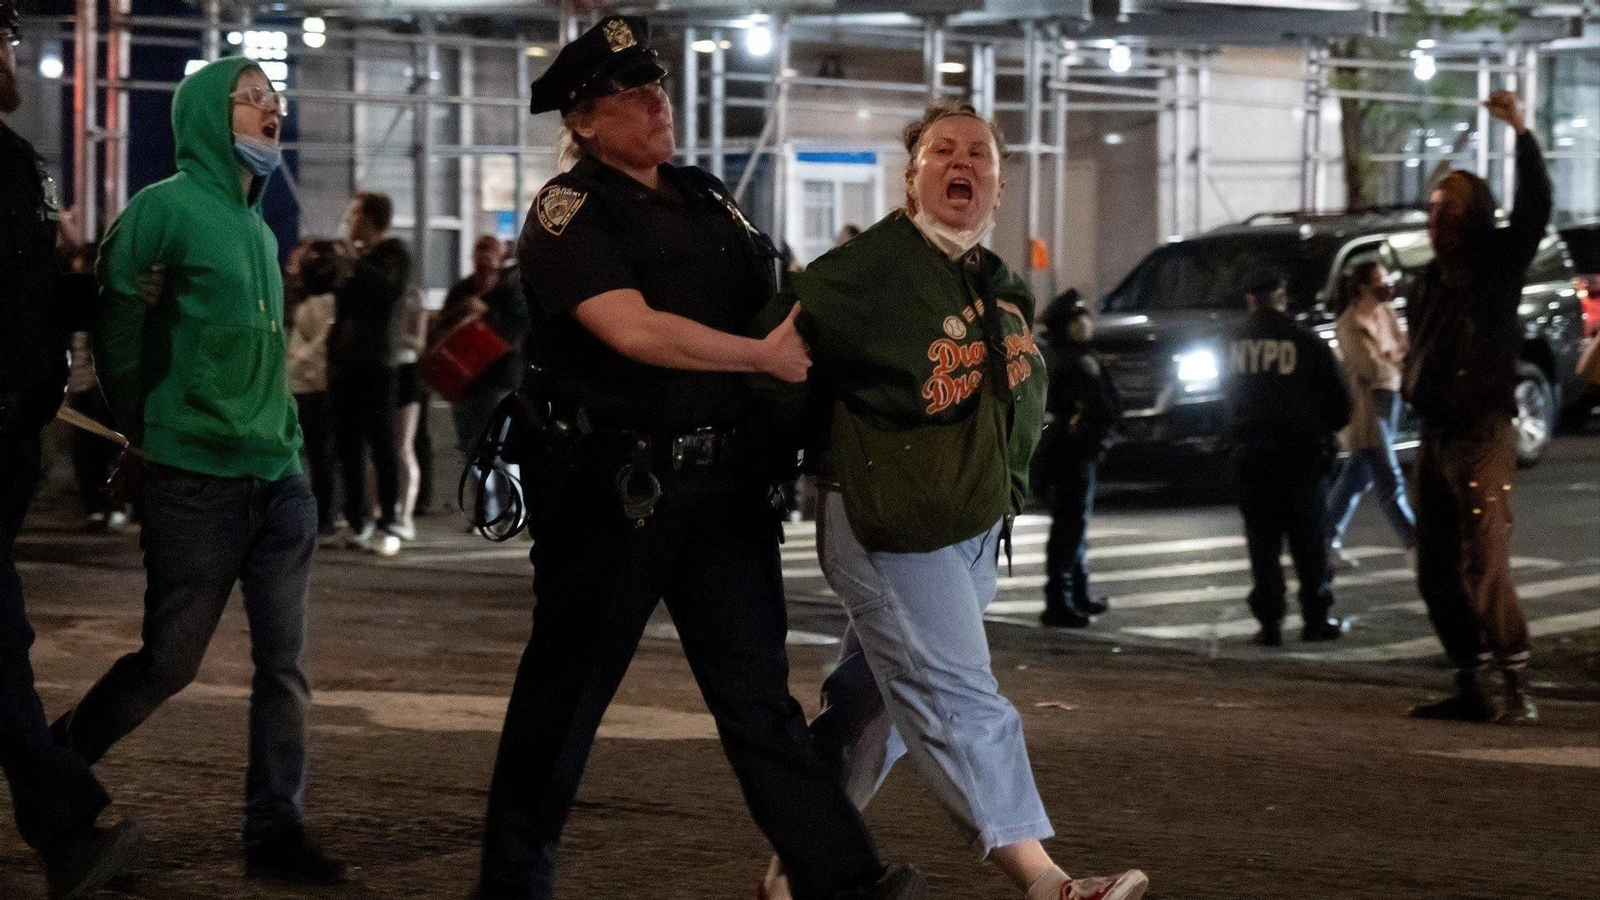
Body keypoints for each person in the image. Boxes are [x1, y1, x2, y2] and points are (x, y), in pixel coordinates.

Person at [476, 18, 923, 900]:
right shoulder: (569, 213)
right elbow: (631, 329)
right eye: (633, 96)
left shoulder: (707, 195)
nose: (658, 106)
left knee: (761, 707)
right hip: (614, 493)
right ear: (586, 119)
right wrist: (759, 360)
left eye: (660, 90)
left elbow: (781, 302)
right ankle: (510, 889)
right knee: (562, 704)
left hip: (722, 495)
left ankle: (842, 881)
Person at [753, 104, 1148, 900]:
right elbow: (773, 360)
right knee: (953, 691)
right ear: (913, 177)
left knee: (875, 704)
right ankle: (1047, 882)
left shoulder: (997, 280)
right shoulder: (863, 272)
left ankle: (800, 865)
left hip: (967, 526)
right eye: (942, 150)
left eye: (978, 153)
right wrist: (782, 462)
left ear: (998, 186)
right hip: (892, 518)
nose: (960, 161)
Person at [53, 57, 346, 884]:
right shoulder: (162, 210)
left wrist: (284, 436)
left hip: (279, 478)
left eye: (272, 98)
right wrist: (146, 433)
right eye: (248, 99)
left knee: (284, 666)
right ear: (205, 118)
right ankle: (53, 760)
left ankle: (274, 831)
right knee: (171, 661)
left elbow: (262, 357)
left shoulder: (258, 228)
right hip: (195, 481)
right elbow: (116, 325)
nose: (269, 111)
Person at [0, 5, 149, 894]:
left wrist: (109, 295)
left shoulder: (15, 162)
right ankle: (65, 824)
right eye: (7, 40)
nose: (15, 53)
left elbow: (33, 298)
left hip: (13, 442)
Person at [1404, 90, 1551, 724]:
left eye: (1450, 214)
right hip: (1435, 432)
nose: (1438, 225)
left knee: (1484, 561)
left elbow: (1536, 207)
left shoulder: (1496, 265)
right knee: (1435, 564)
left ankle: (1517, 686)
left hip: (1481, 432)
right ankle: (1470, 682)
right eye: (1433, 213)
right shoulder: (1429, 280)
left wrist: (1521, 131)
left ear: (1474, 219)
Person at [1220, 268, 1352, 647]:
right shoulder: (1306, 342)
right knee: (1308, 542)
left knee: (1262, 544)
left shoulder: (1229, 343)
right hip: (1299, 458)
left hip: (1251, 458)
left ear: (1250, 298)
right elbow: (1339, 405)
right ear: (1282, 296)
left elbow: (1221, 400)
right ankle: (1316, 619)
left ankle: (1270, 624)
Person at [329, 190, 410, 556]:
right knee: (347, 444)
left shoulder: (396, 254)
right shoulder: (357, 259)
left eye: (354, 214)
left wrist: (355, 263)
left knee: (382, 444)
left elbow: (388, 292)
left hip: (378, 364)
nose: (349, 221)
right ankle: (357, 521)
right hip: (346, 364)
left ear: (370, 218)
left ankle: (389, 520)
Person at [1034, 293, 1121, 628]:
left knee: (1073, 527)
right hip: (1070, 455)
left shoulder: (1055, 355)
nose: (1085, 323)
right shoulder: (1074, 360)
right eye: (1077, 318)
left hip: (1061, 453)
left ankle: (1078, 594)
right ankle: (1059, 601)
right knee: (1068, 529)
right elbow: (1098, 405)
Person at [1326, 261, 1415, 570]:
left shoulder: (1387, 313)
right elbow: (1370, 368)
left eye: (1388, 278)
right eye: (1380, 280)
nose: (1387, 284)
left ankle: (1323, 539)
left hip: (1391, 399)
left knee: (1357, 474)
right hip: (1368, 406)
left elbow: (1403, 350)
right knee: (1388, 475)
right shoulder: (1349, 323)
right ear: (1363, 286)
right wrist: (1392, 360)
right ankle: (1413, 542)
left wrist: (1390, 358)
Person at [439, 235, 529, 465]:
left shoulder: (510, 293)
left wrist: (487, 314)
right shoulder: (461, 292)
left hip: (499, 382)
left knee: (501, 453)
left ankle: (504, 499)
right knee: (472, 451)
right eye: (480, 252)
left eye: (489, 253)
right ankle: (481, 499)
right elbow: (442, 327)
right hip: (465, 383)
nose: (484, 261)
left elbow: (515, 332)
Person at [287, 238, 342, 539]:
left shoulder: (323, 305)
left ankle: (325, 516)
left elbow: (314, 345)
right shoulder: (313, 303)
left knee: (320, 455)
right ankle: (323, 516)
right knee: (317, 455)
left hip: (314, 386)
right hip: (310, 385)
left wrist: (298, 360)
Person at [392, 286, 427, 540]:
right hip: (384, 371)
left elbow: (419, 344)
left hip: (407, 372)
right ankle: (382, 511)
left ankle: (406, 514)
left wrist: (396, 332)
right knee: (380, 448)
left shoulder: (414, 300)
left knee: (404, 446)